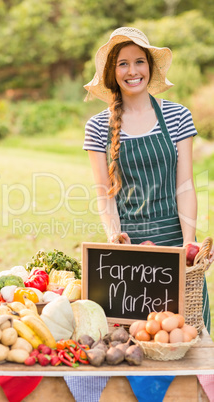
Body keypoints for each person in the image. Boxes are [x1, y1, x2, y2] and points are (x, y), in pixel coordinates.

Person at [83, 26, 211, 333]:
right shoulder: (97, 126)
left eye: (139, 61)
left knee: (186, 333)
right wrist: (114, 234)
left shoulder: (178, 117)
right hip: (129, 250)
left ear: (149, 67)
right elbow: (104, 193)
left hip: (174, 241)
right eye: (122, 63)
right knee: (136, 340)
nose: (132, 71)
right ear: (113, 73)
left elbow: (185, 185)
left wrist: (188, 244)